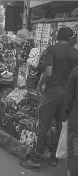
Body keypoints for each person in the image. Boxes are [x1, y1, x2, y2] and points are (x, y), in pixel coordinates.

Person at [20, 27, 78, 171]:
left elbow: (48, 72)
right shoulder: (76, 53)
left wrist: (39, 86)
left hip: (52, 92)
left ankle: (36, 160)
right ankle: (54, 158)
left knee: (43, 125)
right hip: (68, 95)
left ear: (57, 36)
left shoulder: (52, 49)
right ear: (70, 38)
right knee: (60, 127)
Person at [65, 66, 78, 176]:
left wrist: (66, 113)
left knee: (74, 151)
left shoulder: (75, 71)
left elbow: (69, 96)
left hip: (76, 118)